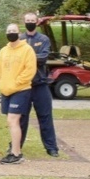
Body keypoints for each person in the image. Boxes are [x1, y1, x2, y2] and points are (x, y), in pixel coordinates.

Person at [0, 22, 37, 165]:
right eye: (8, 30)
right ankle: (15, 150)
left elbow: (29, 71)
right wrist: (1, 83)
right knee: (12, 121)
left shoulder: (27, 50)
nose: (11, 32)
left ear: (19, 34)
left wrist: (15, 84)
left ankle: (16, 153)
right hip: (6, 90)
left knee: (13, 120)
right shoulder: (3, 51)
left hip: (21, 90)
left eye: (14, 30)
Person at [18, 12, 59, 156]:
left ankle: (51, 147)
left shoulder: (43, 39)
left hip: (40, 84)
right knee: (21, 118)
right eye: (27, 20)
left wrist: (25, 57)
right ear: (24, 22)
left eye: (32, 20)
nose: (30, 22)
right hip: (24, 86)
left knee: (45, 116)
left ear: (37, 22)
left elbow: (43, 58)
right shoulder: (19, 39)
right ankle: (16, 146)